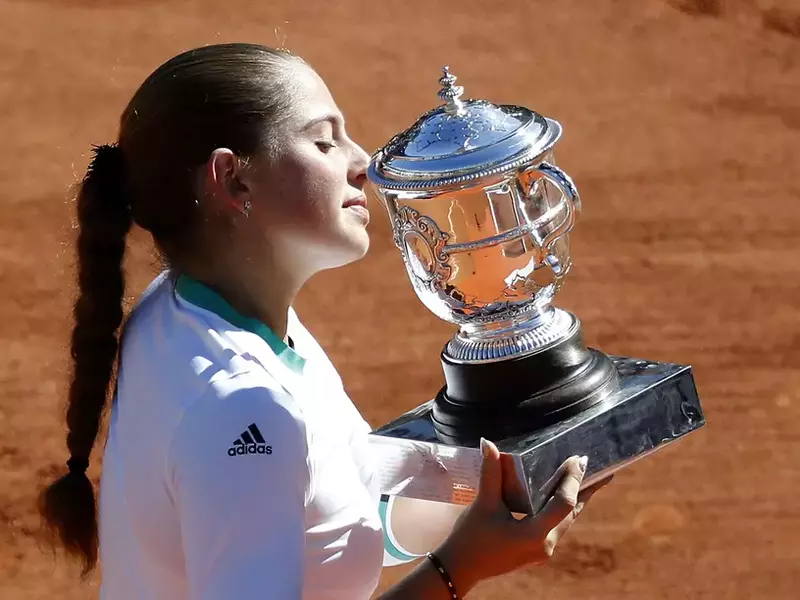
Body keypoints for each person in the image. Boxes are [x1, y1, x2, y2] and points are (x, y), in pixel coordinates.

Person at [38, 43, 611, 600]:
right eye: (324, 141)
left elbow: (336, 515)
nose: (364, 163)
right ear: (234, 181)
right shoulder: (242, 404)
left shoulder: (203, 311)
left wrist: (491, 490)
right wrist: (462, 568)